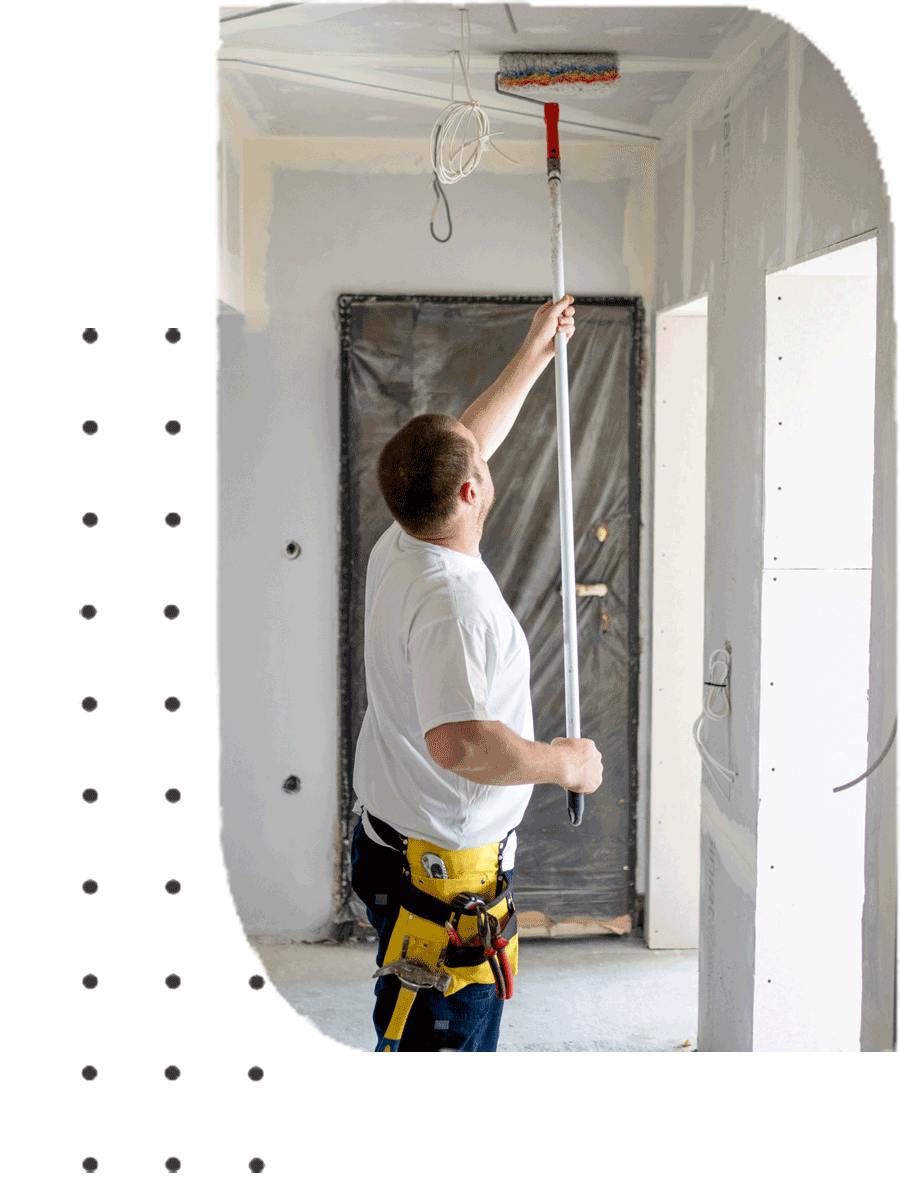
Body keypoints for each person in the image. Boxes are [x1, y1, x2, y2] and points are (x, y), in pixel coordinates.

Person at [350, 295, 604, 1051]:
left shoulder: (403, 540)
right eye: (477, 467)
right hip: (445, 880)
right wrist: (564, 765)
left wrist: (535, 352)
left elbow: (466, 448)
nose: (484, 463)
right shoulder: (454, 604)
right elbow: (458, 744)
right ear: (470, 493)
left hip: (395, 843)